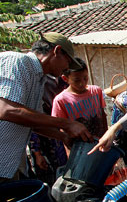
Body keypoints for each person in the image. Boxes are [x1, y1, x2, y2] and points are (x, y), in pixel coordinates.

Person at [0, 32, 92, 182]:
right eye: (68, 62)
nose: (67, 67)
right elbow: (6, 110)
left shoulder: (39, 79)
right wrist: (66, 124)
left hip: (9, 165)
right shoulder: (17, 62)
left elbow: (33, 122)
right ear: (57, 51)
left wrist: (63, 136)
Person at [52, 58, 108, 142]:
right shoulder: (61, 100)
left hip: (100, 142)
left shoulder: (96, 91)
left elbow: (103, 115)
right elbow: (61, 127)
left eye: (85, 78)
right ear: (65, 79)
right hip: (78, 147)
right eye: (76, 80)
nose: (82, 83)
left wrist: (106, 135)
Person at [28, 75, 69, 184]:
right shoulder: (37, 82)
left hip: (63, 137)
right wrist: (37, 153)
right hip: (45, 141)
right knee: (49, 177)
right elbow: (32, 123)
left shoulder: (62, 80)